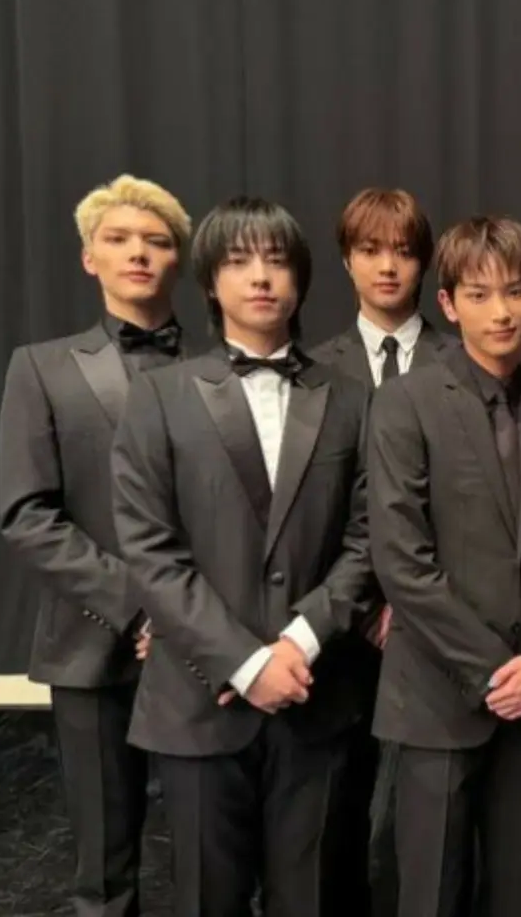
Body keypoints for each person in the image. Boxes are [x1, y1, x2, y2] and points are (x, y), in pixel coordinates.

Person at [111, 197, 375, 917]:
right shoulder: (158, 397)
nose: (260, 276)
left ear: (302, 278)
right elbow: (150, 550)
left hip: (318, 698)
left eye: (277, 260)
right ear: (210, 281)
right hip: (197, 705)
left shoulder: (352, 400)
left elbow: (368, 538)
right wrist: (246, 661)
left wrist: (298, 642)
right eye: (238, 261)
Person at [368, 215, 521, 917]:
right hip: (436, 698)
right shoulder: (405, 403)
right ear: (447, 303)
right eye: (479, 294)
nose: (501, 312)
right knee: (430, 898)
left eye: (516, 292)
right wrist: (497, 671)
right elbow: (401, 560)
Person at [0, 173, 191, 917]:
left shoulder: (223, 369)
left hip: (206, 647)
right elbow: (28, 514)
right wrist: (140, 605)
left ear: (178, 259)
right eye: (118, 239)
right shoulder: (40, 367)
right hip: (91, 644)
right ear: (89, 258)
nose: (138, 252)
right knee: (103, 876)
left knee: (218, 862)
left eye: (156, 241)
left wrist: (186, 617)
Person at [310, 187, 454, 916]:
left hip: (439, 621)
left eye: (402, 251)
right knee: (338, 808)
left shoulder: (464, 358)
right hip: (341, 627)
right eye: (370, 250)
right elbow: (314, 507)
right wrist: (362, 602)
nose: (387, 266)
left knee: (434, 819)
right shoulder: (313, 367)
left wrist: (413, 600)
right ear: (346, 260)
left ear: (425, 262)